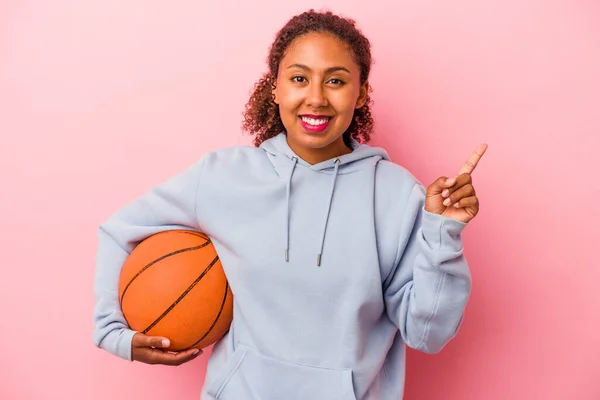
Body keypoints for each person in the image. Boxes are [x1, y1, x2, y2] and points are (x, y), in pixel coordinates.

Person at [93, 9, 487, 400]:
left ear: (362, 92)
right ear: (275, 88)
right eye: (299, 78)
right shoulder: (221, 176)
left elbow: (428, 335)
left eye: (335, 80)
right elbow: (119, 231)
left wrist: (443, 232)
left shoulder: (399, 196)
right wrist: (114, 332)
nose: (315, 98)